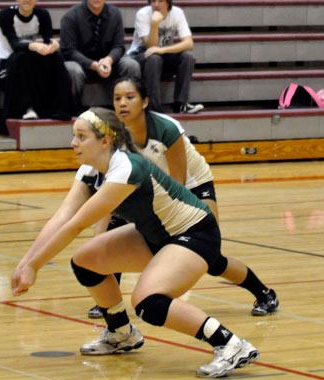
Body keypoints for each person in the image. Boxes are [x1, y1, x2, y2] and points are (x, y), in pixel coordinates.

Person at [12, 107, 261, 378]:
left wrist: (35, 266)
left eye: (81, 136)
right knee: (85, 262)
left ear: (105, 140)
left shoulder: (125, 168)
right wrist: (25, 262)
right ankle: (121, 334)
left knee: (148, 301)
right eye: (74, 136)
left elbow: (76, 224)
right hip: (155, 236)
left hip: (195, 233)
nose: (73, 143)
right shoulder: (90, 171)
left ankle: (230, 344)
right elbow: (62, 216)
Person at [87, 77, 279, 319]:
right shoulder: (114, 138)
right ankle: (109, 300)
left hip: (191, 186)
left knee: (210, 256)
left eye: (130, 97)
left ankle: (264, 293)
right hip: (155, 189)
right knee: (115, 227)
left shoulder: (166, 128)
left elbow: (177, 183)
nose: (123, 103)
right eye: (117, 98)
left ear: (145, 101)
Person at [0, 0, 75, 131]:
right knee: (21, 57)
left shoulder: (42, 14)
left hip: (29, 61)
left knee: (56, 57)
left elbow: (48, 40)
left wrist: (53, 46)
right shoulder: (6, 14)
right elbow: (14, 45)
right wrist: (33, 45)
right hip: (6, 63)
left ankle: (62, 108)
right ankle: (27, 108)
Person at [59, 0, 141, 112]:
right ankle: (73, 112)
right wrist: (93, 65)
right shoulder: (70, 17)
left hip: (109, 64)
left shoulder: (115, 13)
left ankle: (130, 111)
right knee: (72, 69)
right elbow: (69, 51)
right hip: (81, 65)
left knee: (131, 65)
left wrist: (108, 60)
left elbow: (119, 46)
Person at [127, 0, 203, 113]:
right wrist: (154, 24)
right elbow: (150, 47)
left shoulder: (177, 13)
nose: (156, 4)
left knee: (187, 57)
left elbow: (189, 43)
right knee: (154, 58)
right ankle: (153, 108)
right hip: (140, 55)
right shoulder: (142, 14)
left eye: (161, 1)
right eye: (153, 1)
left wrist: (163, 50)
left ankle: (181, 104)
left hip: (162, 53)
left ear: (168, 2)